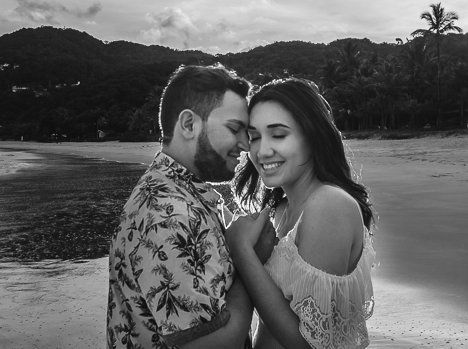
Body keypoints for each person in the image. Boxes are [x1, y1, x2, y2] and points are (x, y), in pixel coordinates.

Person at [107, 64, 257, 349]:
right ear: (189, 124)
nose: (246, 145)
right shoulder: (167, 215)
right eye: (235, 129)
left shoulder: (180, 193)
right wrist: (248, 259)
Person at [226, 78, 375, 349]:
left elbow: (308, 344)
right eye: (255, 137)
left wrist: (242, 252)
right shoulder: (280, 209)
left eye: (279, 135)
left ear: (312, 136)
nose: (262, 150)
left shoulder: (329, 205)